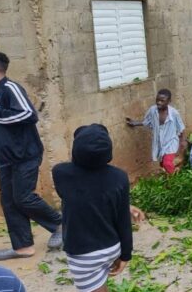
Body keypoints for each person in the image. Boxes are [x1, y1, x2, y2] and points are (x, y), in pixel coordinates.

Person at [0, 50, 63, 260]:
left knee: (23, 197)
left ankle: (60, 224)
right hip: (5, 158)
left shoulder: (9, 88)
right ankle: (23, 247)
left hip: (25, 154)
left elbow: (28, 114)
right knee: (9, 201)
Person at [52, 124, 133, 292]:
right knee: (99, 285)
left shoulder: (60, 173)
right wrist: (126, 254)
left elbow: (82, 192)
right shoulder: (119, 177)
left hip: (84, 253)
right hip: (112, 246)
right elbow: (123, 219)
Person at [126, 89, 186, 174]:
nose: (159, 102)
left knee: (167, 163)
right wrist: (135, 123)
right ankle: (173, 173)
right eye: (157, 100)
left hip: (171, 142)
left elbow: (181, 127)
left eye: (162, 101)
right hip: (159, 142)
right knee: (162, 164)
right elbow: (147, 121)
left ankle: (175, 180)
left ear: (169, 101)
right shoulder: (152, 110)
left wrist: (182, 141)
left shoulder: (174, 113)